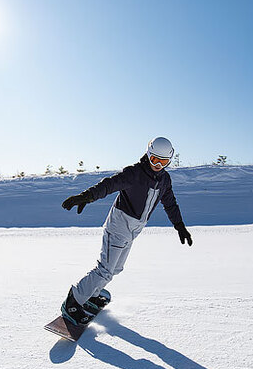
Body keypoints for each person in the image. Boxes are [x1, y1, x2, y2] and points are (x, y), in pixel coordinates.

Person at [60, 137, 193, 325]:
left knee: (115, 268)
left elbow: (170, 203)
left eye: (163, 162)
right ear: (148, 154)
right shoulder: (134, 173)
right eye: (155, 159)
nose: (158, 165)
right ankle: (73, 301)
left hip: (135, 228)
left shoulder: (164, 179)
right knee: (105, 269)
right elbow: (109, 185)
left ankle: (92, 294)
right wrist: (86, 197)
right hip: (119, 224)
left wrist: (179, 225)